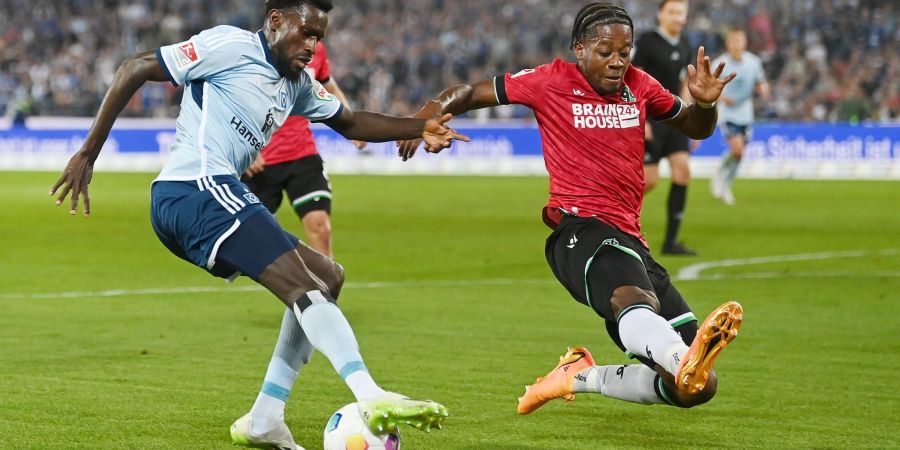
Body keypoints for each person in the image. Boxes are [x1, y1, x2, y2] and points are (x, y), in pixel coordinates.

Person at [50, 1, 466, 449]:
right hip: (192, 189)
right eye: (306, 33)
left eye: (319, 38)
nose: (312, 46)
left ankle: (266, 416)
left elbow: (351, 122)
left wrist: (420, 125)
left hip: (206, 196)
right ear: (275, 21)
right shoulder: (229, 45)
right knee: (304, 287)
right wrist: (88, 154)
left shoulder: (297, 84)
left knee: (327, 276)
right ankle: (370, 395)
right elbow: (135, 67)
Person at [398, 3, 743, 413]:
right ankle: (677, 357)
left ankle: (579, 375)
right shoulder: (549, 80)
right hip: (580, 230)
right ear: (579, 49)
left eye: (625, 52)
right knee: (633, 301)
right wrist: (429, 111)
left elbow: (692, 125)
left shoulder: (640, 84)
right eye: (605, 52)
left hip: (632, 241)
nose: (617, 62)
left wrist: (704, 106)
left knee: (697, 388)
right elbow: (472, 93)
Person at [243, 41, 364, 258]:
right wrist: (246, 149)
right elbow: (234, 100)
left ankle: (325, 290)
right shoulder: (257, 50)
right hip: (260, 161)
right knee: (252, 244)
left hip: (302, 154)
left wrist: (352, 125)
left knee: (320, 227)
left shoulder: (316, 49)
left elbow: (328, 85)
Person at [632, 0, 697, 255]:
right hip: (651, 119)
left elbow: (684, 82)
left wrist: (690, 117)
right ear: (661, 14)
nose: (676, 17)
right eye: (671, 11)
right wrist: (641, 119)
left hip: (675, 118)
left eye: (680, 12)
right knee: (649, 181)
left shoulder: (684, 43)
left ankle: (671, 242)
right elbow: (634, 79)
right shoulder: (648, 42)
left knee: (682, 172)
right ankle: (614, 221)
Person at [710, 28, 770, 205]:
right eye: (733, 41)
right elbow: (709, 88)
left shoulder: (754, 62)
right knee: (737, 150)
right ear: (728, 43)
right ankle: (722, 177)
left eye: (740, 40)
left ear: (745, 43)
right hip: (728, 114)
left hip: (746, 113)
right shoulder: (718, 64)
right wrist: (721, 97)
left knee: (739, 155)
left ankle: (725, 182)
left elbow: (761, 83)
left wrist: (764, 89)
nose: (737, 44)